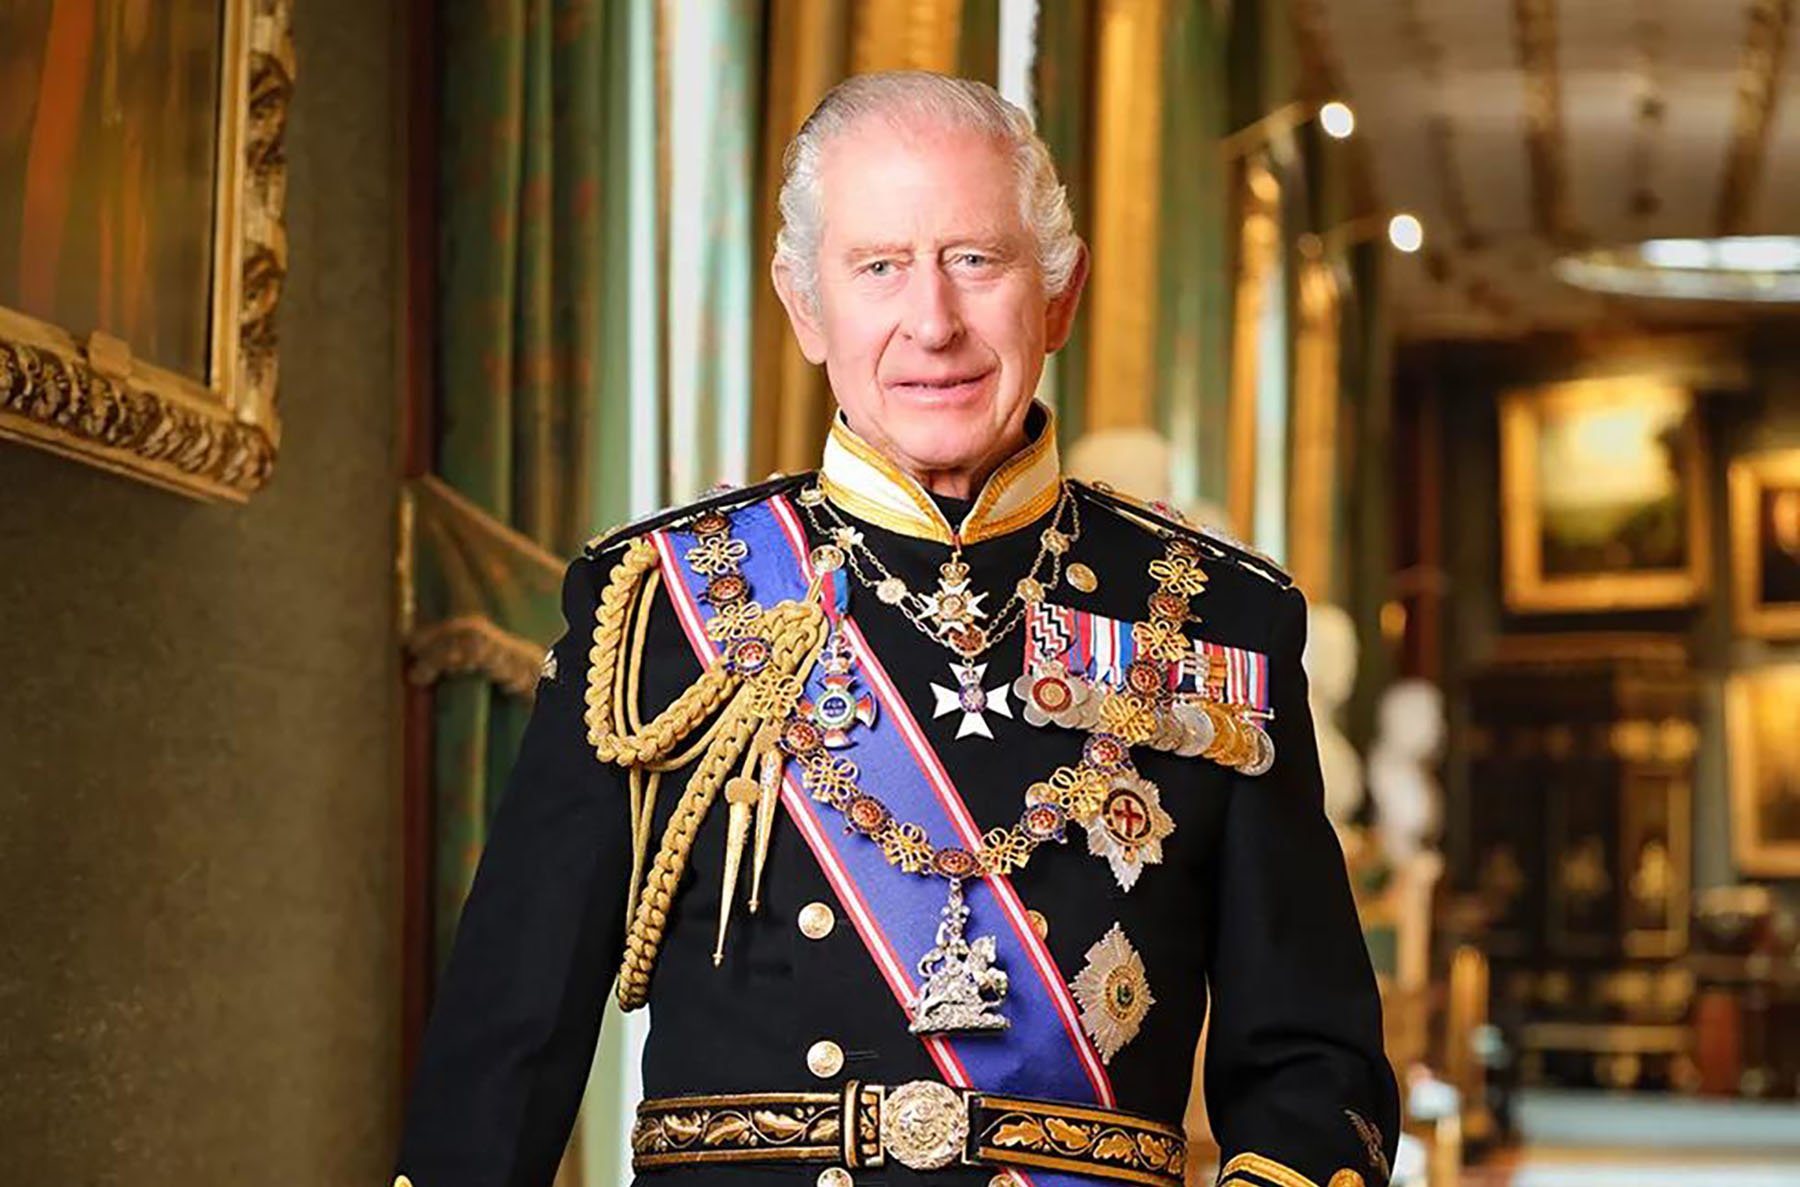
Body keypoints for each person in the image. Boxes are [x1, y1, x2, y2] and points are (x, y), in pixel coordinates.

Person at [394, 71, 1397, 1187]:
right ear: (804, 305)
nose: (934, 320)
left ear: (1059, 295)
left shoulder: (1218, 615)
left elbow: (1315, 1065)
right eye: (880, 266)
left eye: (977, 259)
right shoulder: (660, 601)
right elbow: (505, 1051)